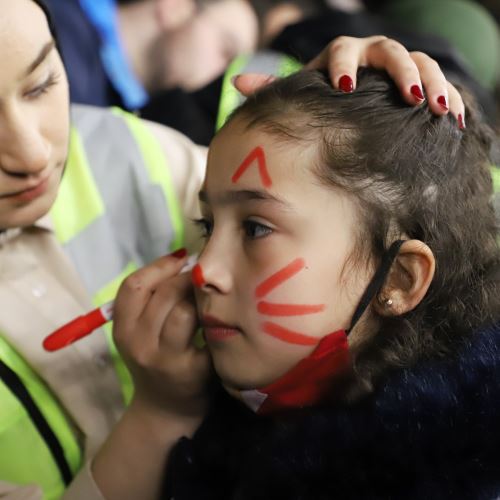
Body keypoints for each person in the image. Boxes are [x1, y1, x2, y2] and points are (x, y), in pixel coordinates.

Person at [0, 0, 462, 498]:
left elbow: (273, 191)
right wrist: (159, 417)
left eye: (42, 83)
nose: (33, 153)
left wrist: (341, 131)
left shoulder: (125, 148)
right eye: (206, 225)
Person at [90, 72, 500, 499]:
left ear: (398, 278)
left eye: (255, 228)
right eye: (207, 226)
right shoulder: (238, 425)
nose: (203, 269)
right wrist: (160, 411)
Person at [43, 0, 259, 108]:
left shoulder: (131, 130)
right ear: (176, 8)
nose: (225, 76)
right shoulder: (43, 17)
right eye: (226, 51)